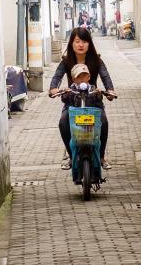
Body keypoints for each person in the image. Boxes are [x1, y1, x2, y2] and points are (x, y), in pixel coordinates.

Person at [48, 26, 116, 169]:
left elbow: (105, 76)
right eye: (77, 41)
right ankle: (72, 156)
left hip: (93, 101)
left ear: (89, 43)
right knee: (63, 122)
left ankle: (102, 157)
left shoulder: (96, 60)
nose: (80, 45)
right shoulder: (66, 61)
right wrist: (53, 88)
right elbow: (57, 77)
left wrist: (110, 90)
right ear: (72, 43)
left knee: (103, 121)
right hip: (73, 101)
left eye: (84, 41)